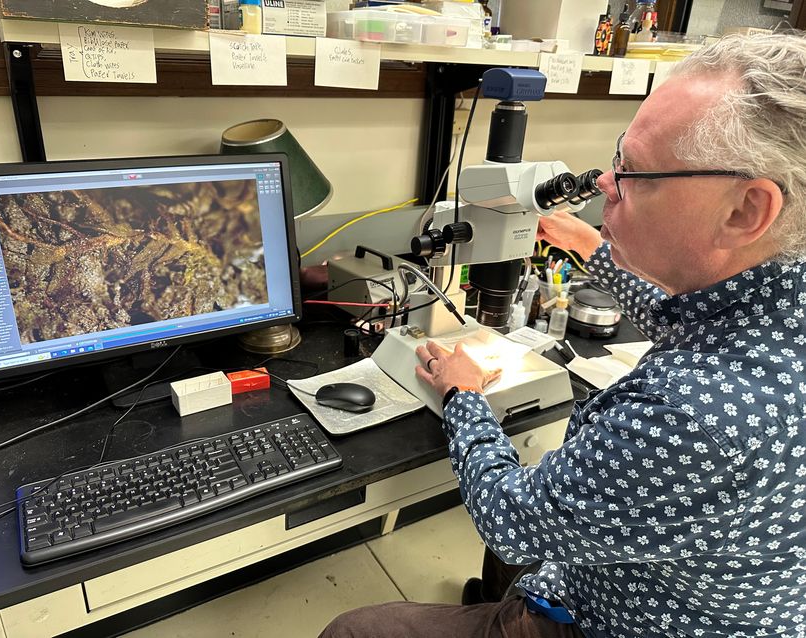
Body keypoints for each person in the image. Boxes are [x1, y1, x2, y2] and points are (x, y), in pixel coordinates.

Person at [319, 32, 806, 638]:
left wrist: (463, 396)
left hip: (614, 620)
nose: (605, 182)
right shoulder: (779, 305)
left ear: (745, 211)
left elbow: (509, 519)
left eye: (632, 170)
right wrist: (595, 249)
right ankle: (502, 596)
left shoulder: (692, 415)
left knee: (356, 629)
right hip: (729, 593)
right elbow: (692, 319)